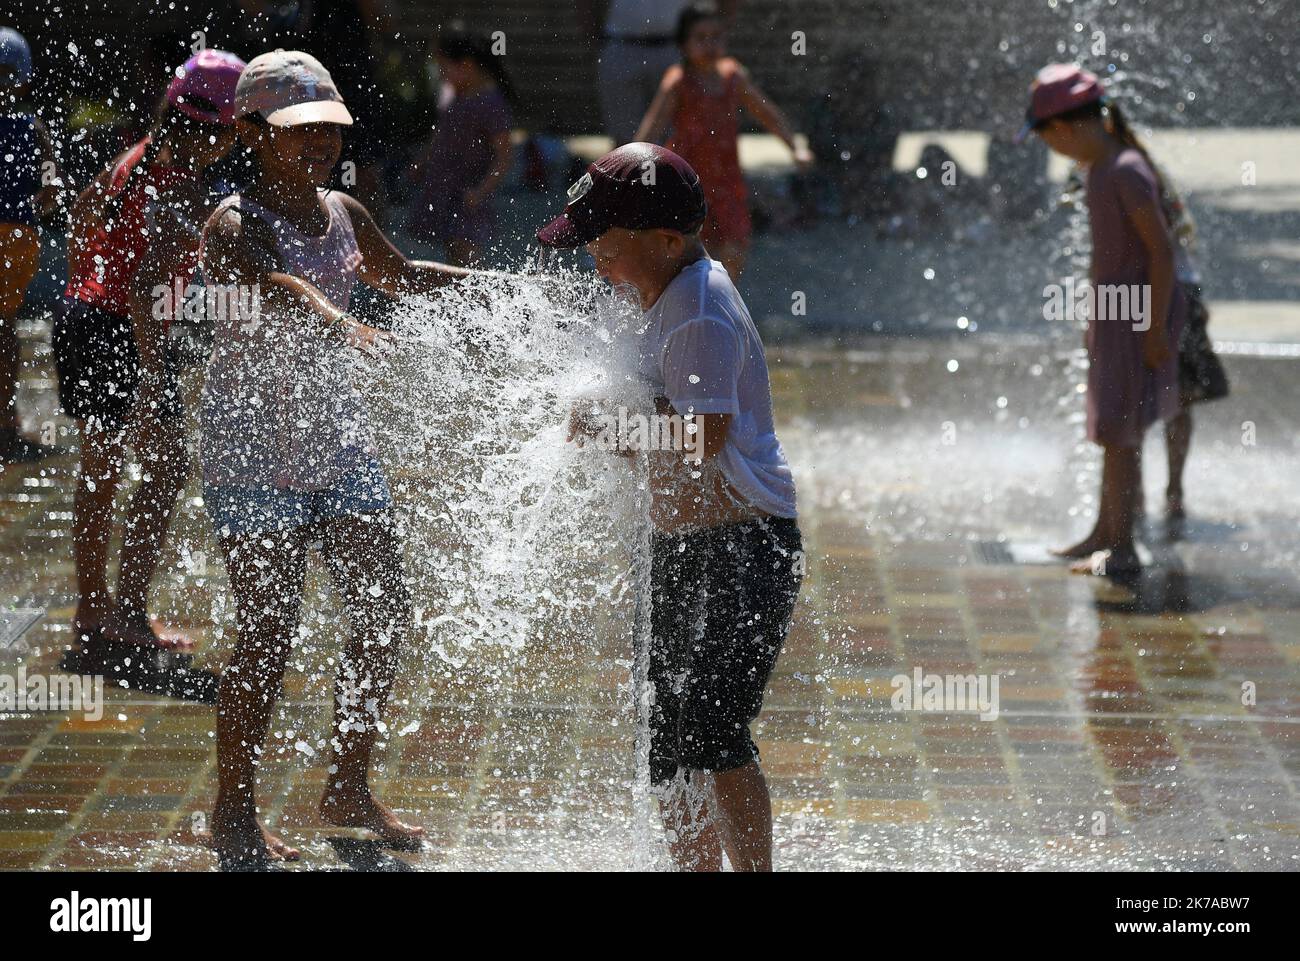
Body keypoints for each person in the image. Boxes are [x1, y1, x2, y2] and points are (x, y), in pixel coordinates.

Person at [198, 50, 482, 868]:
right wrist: (334, 316)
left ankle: (348, 785)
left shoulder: (345, 211)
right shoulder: (233, 223)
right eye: (297, 129)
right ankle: (233, 811)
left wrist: (494, 289)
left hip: (336, 440)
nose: (318, 141)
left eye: (328, 126)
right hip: (252, 453)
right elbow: (276, 287)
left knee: (382, 609)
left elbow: (399, 275)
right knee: (267, 631)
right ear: (251, 131)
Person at [538, 143, 803, 871]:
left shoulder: (697, 309)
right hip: (681, 544)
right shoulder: (654, 293)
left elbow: (701, 434)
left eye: (605, 244)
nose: (594, 258)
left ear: (664, 240)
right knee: (666, 731)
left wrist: (612, 424)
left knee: (715, 729)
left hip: (743, 549)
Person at [56, 50, 246, 653]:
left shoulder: (140, 156)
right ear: (222, 131)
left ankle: (95, 613)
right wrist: (153, 367)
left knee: (103, 473)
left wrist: (81, 291)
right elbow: (146, 291)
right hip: (118, 333)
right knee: (162, 470)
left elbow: (87, 219)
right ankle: (127, 614)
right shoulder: (177, 182)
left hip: (84, 316)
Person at [1020, 65, 1184, 574]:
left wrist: (1154, 331)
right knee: (1111, 426)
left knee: (1122, 430)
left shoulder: (1125, 171)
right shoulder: (1103, 169)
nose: (1052, 150)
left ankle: (1124, 545)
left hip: (1139, 316)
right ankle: (1104, 531)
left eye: (1047, 139)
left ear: (1063, 128)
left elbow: (1161, 254)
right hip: (1119, 314)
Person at [634, 2, 813, 279]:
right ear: (683, 44)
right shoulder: (678, 81)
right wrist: (635, 165)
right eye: (701, 38)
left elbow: (767, 114)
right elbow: (652, 126)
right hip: (686, 183)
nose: (710, 44)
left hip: (727, 182)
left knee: (733, 248)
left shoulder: (732, 77)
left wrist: (795, 147)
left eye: (716, 37)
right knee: (687, 255)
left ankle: (721, 307)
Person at [0, 27, 62, 464]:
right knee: (5, 332)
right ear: (23, 79)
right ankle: (6, 423)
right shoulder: (33, 128)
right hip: (16, 238)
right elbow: (50, 191)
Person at [408, 26, 516, 267]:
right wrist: (423, 161)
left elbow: (505, 157)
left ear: (466, 66)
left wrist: (481, 191)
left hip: (469, 193)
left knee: (467, 254)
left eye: (444, 69)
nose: (441, 76)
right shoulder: (455, 96)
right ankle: (456, 296)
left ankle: (476, 298)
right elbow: (440, 133)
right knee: (452, 249)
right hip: (445, 186)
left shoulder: (491, 104)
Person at [579, 0, 739, 147]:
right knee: (624, 141)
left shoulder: (731, 75)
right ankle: (630, 175)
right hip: (621, 44)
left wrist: (716, 32)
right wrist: (592, 38)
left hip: (673, 48)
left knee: (676, 138)